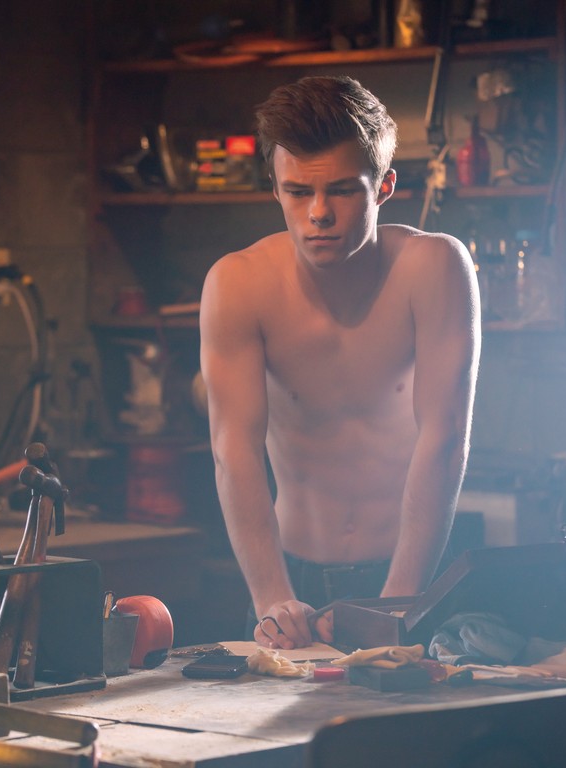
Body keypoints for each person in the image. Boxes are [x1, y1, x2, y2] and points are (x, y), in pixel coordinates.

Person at [199, 75, 481, 649]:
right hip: (288, 581)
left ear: (384, 187)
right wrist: (272, 600)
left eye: (343, 191)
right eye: (298, 192)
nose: (319, 213)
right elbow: (233, 451)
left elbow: (446, 437)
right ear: (275, 189)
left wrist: (397, 604)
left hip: (416, 573)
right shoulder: (239, 283)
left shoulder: (434, 267)